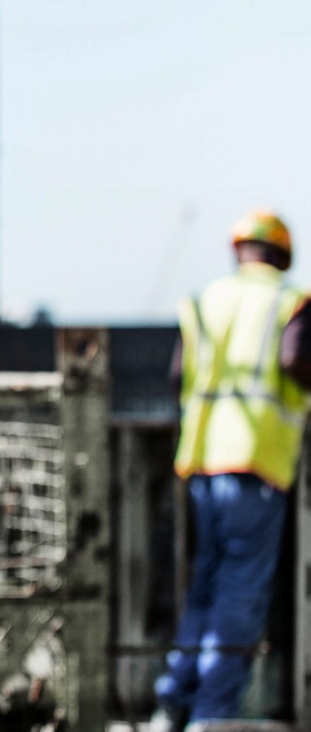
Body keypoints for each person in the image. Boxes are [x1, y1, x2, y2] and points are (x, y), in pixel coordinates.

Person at [153, 210, 311, 729]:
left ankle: (173, 699)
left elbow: (178, 374)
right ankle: (212, 713)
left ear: (239, 251)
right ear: (282, 255)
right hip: (256, 459)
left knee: (205, 583)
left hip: (202, 461)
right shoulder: (289, 300)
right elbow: (295, 360)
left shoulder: (205, 302)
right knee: (240, 589)